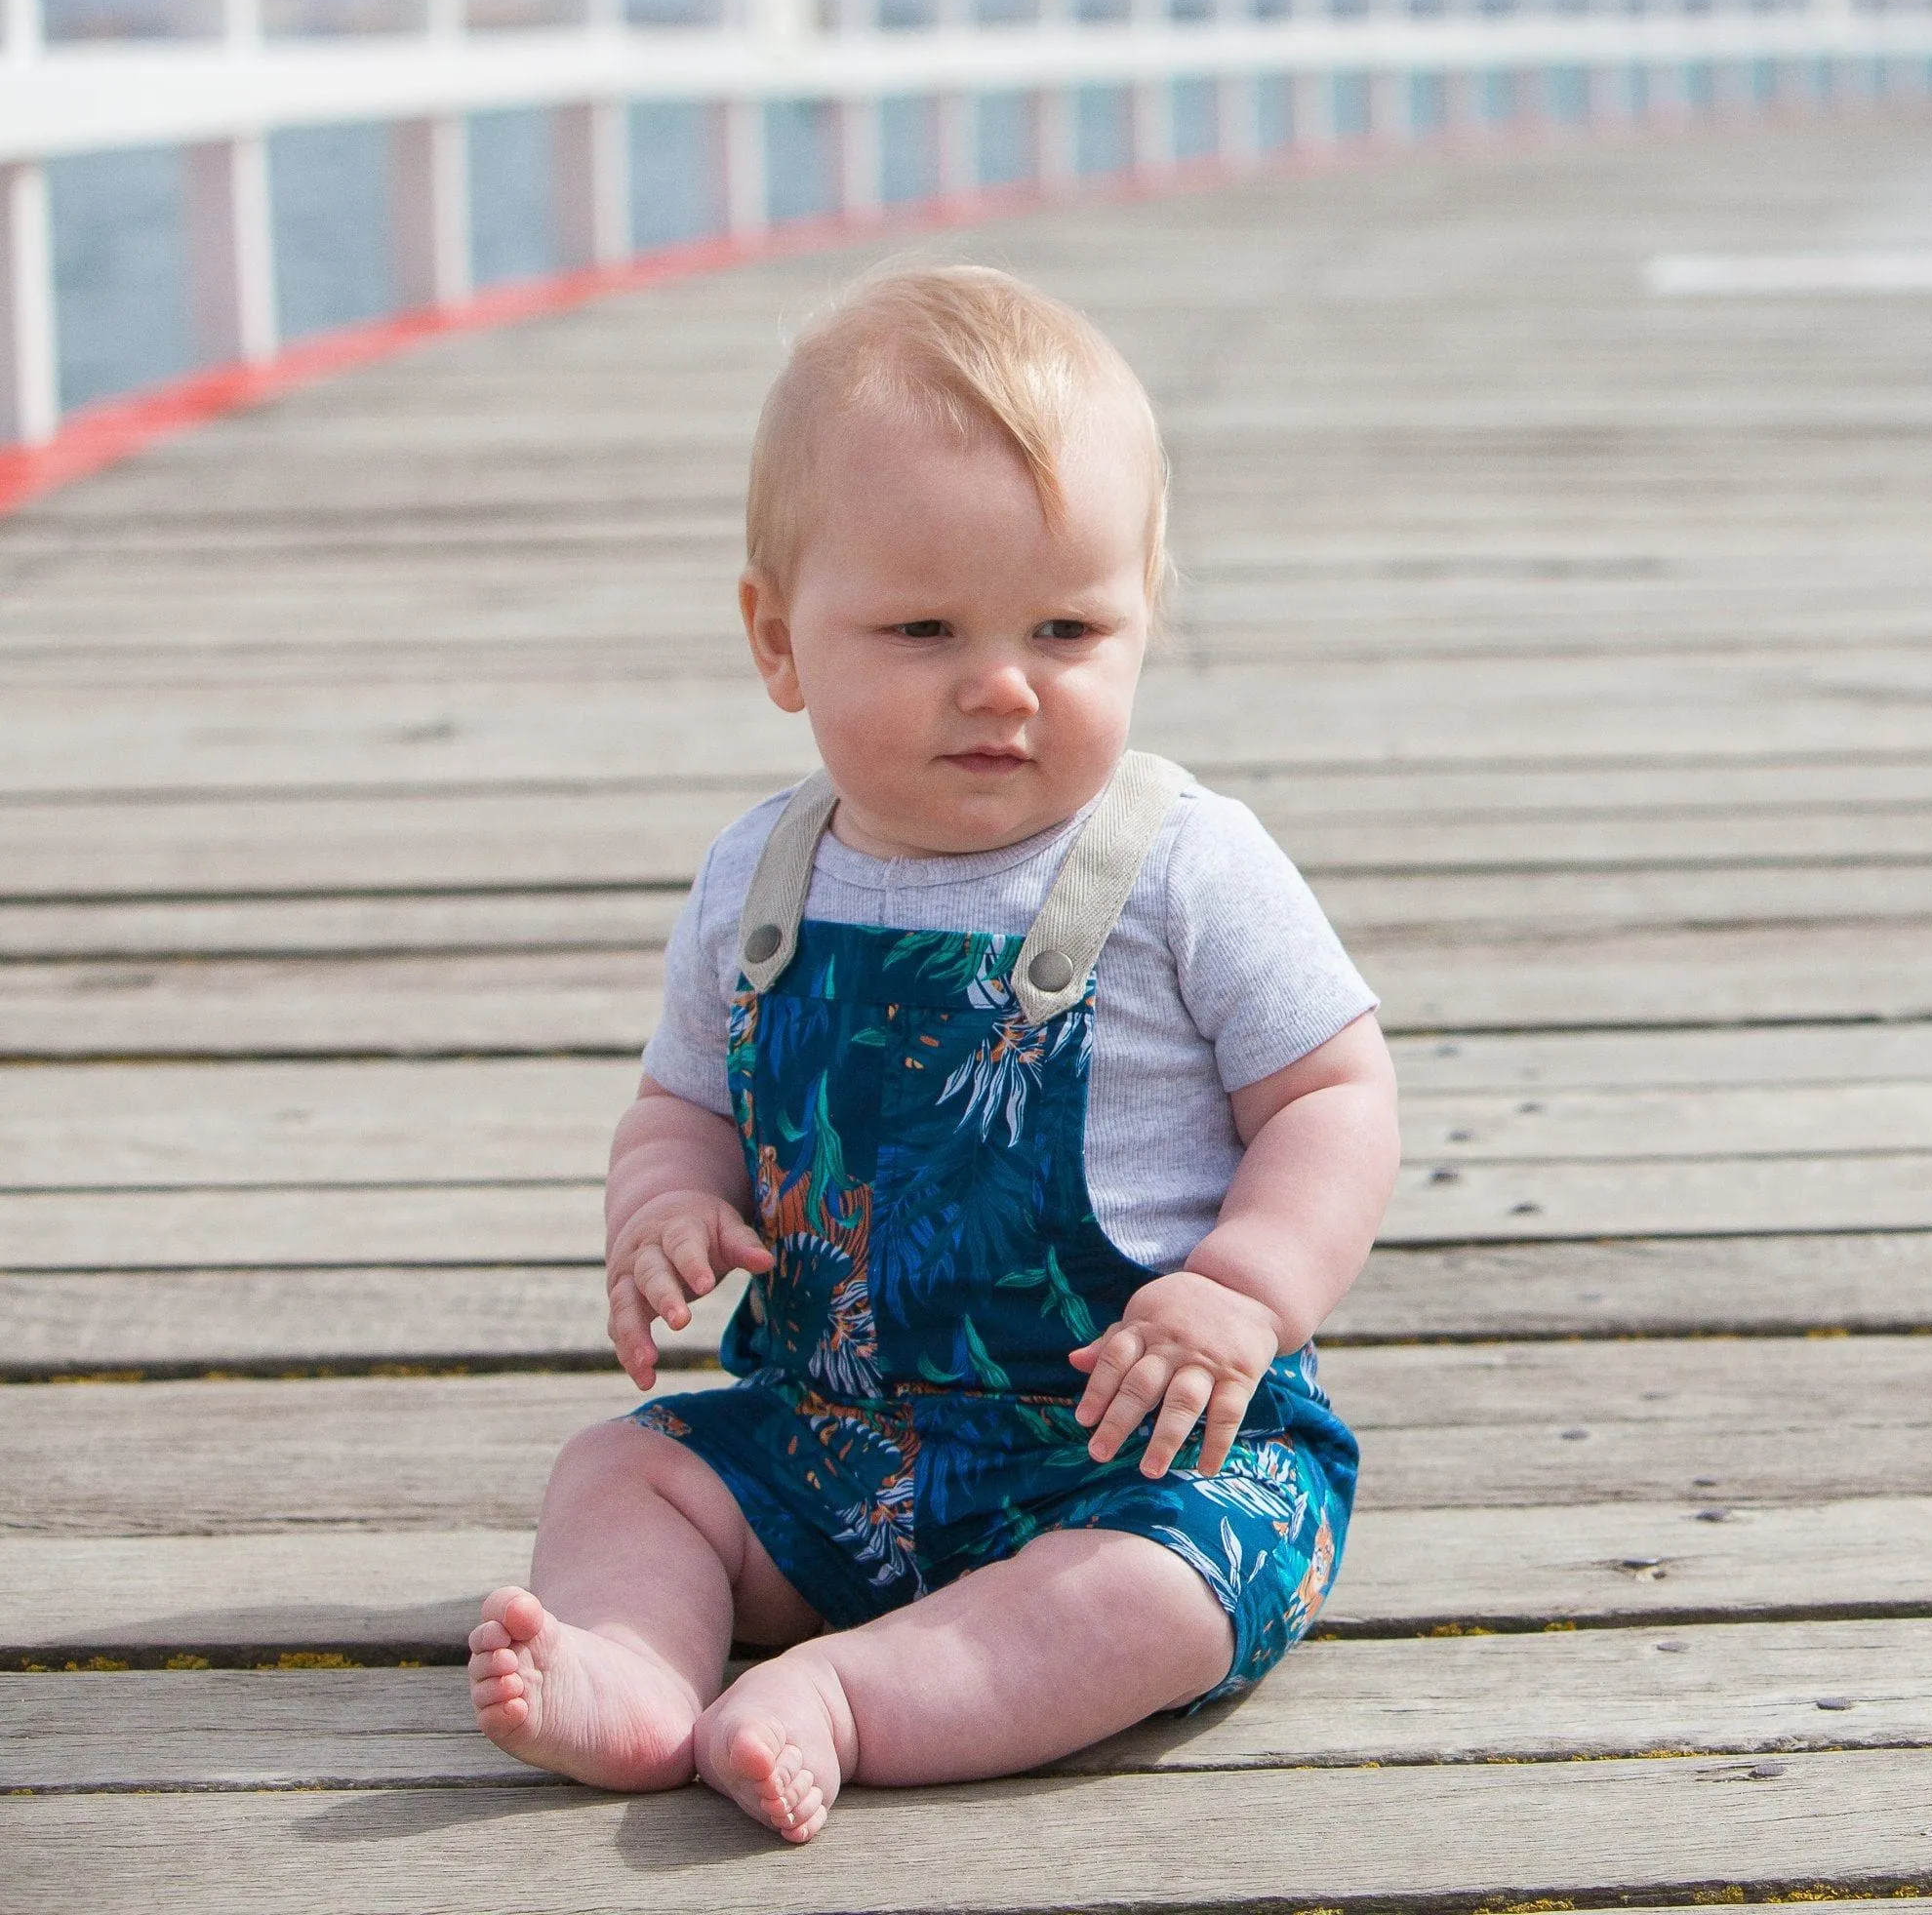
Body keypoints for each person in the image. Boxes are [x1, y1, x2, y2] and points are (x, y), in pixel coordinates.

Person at [464, 263, 1396, 1843]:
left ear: (1143, 610)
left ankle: (850, 1695)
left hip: (1131, 1453)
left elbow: (1334, 1092)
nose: (1002, 682)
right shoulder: (759, 882)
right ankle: (633, 1663)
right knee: (626, 1476)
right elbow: (682, 1100)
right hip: (833, 1444)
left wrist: (1245, 1287)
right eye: (921, 627)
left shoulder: (1183, 867)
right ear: (778, 641)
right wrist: (665, 1202)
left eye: (1067, 625)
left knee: (1158, 1600)